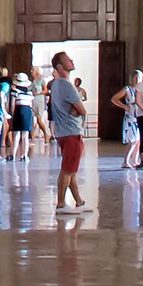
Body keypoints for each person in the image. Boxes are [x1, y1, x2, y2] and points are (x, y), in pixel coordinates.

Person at [45, 50, 90, 213]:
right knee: (67, 170)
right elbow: (82, 110)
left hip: (63, 132)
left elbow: (75, 108)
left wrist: (75, 108)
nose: (71, 61)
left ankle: (79, 202)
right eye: (67, 60)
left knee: (71, 170)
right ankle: (61, 203)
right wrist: (77, 109)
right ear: (60, 66)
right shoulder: (66, 85)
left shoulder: (56, 84)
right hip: (71, 131)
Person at [115, 68, 143, 168]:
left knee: (138, 140)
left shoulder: (141, 90)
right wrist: (124, 106)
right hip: (130, 117)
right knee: (132, 140)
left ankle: (135, 160)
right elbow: (114, 99)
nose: (138, 80)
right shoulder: (127, 89)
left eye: (140, 78)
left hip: (138, 116)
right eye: (136, 78)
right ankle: (126, 161)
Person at [9, 70, 35, 161]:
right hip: (28, 111)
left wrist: (12, 115)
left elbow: (12, 104)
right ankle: (24, 155)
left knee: (16, 134)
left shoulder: (15, 91)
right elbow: (31, 105)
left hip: (18, 111)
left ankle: (13, 155)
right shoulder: (30, 93)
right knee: (25, 135)